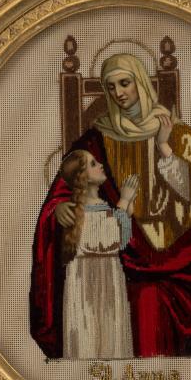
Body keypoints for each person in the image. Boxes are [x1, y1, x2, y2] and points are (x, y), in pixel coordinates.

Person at [30, 52, 191, 359]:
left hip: (178, 252)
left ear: (140, 82)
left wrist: (164, 146)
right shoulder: (97, 139)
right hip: (123, 258)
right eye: (111, 86)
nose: (118, 93)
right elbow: (66, 185)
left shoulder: (178, 133)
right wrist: (59, 208)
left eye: (124, 83)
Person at [58, 149, 138, 360]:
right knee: (90, 334)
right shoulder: (81, 209)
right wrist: (124, 201)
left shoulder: (101, 205)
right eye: (93, 164)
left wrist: (127, 204)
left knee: (111, 334)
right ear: (82, 177)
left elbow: (121, 239)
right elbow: (111, 240)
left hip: (109, 277)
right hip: (89, 282)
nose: (100, 165)